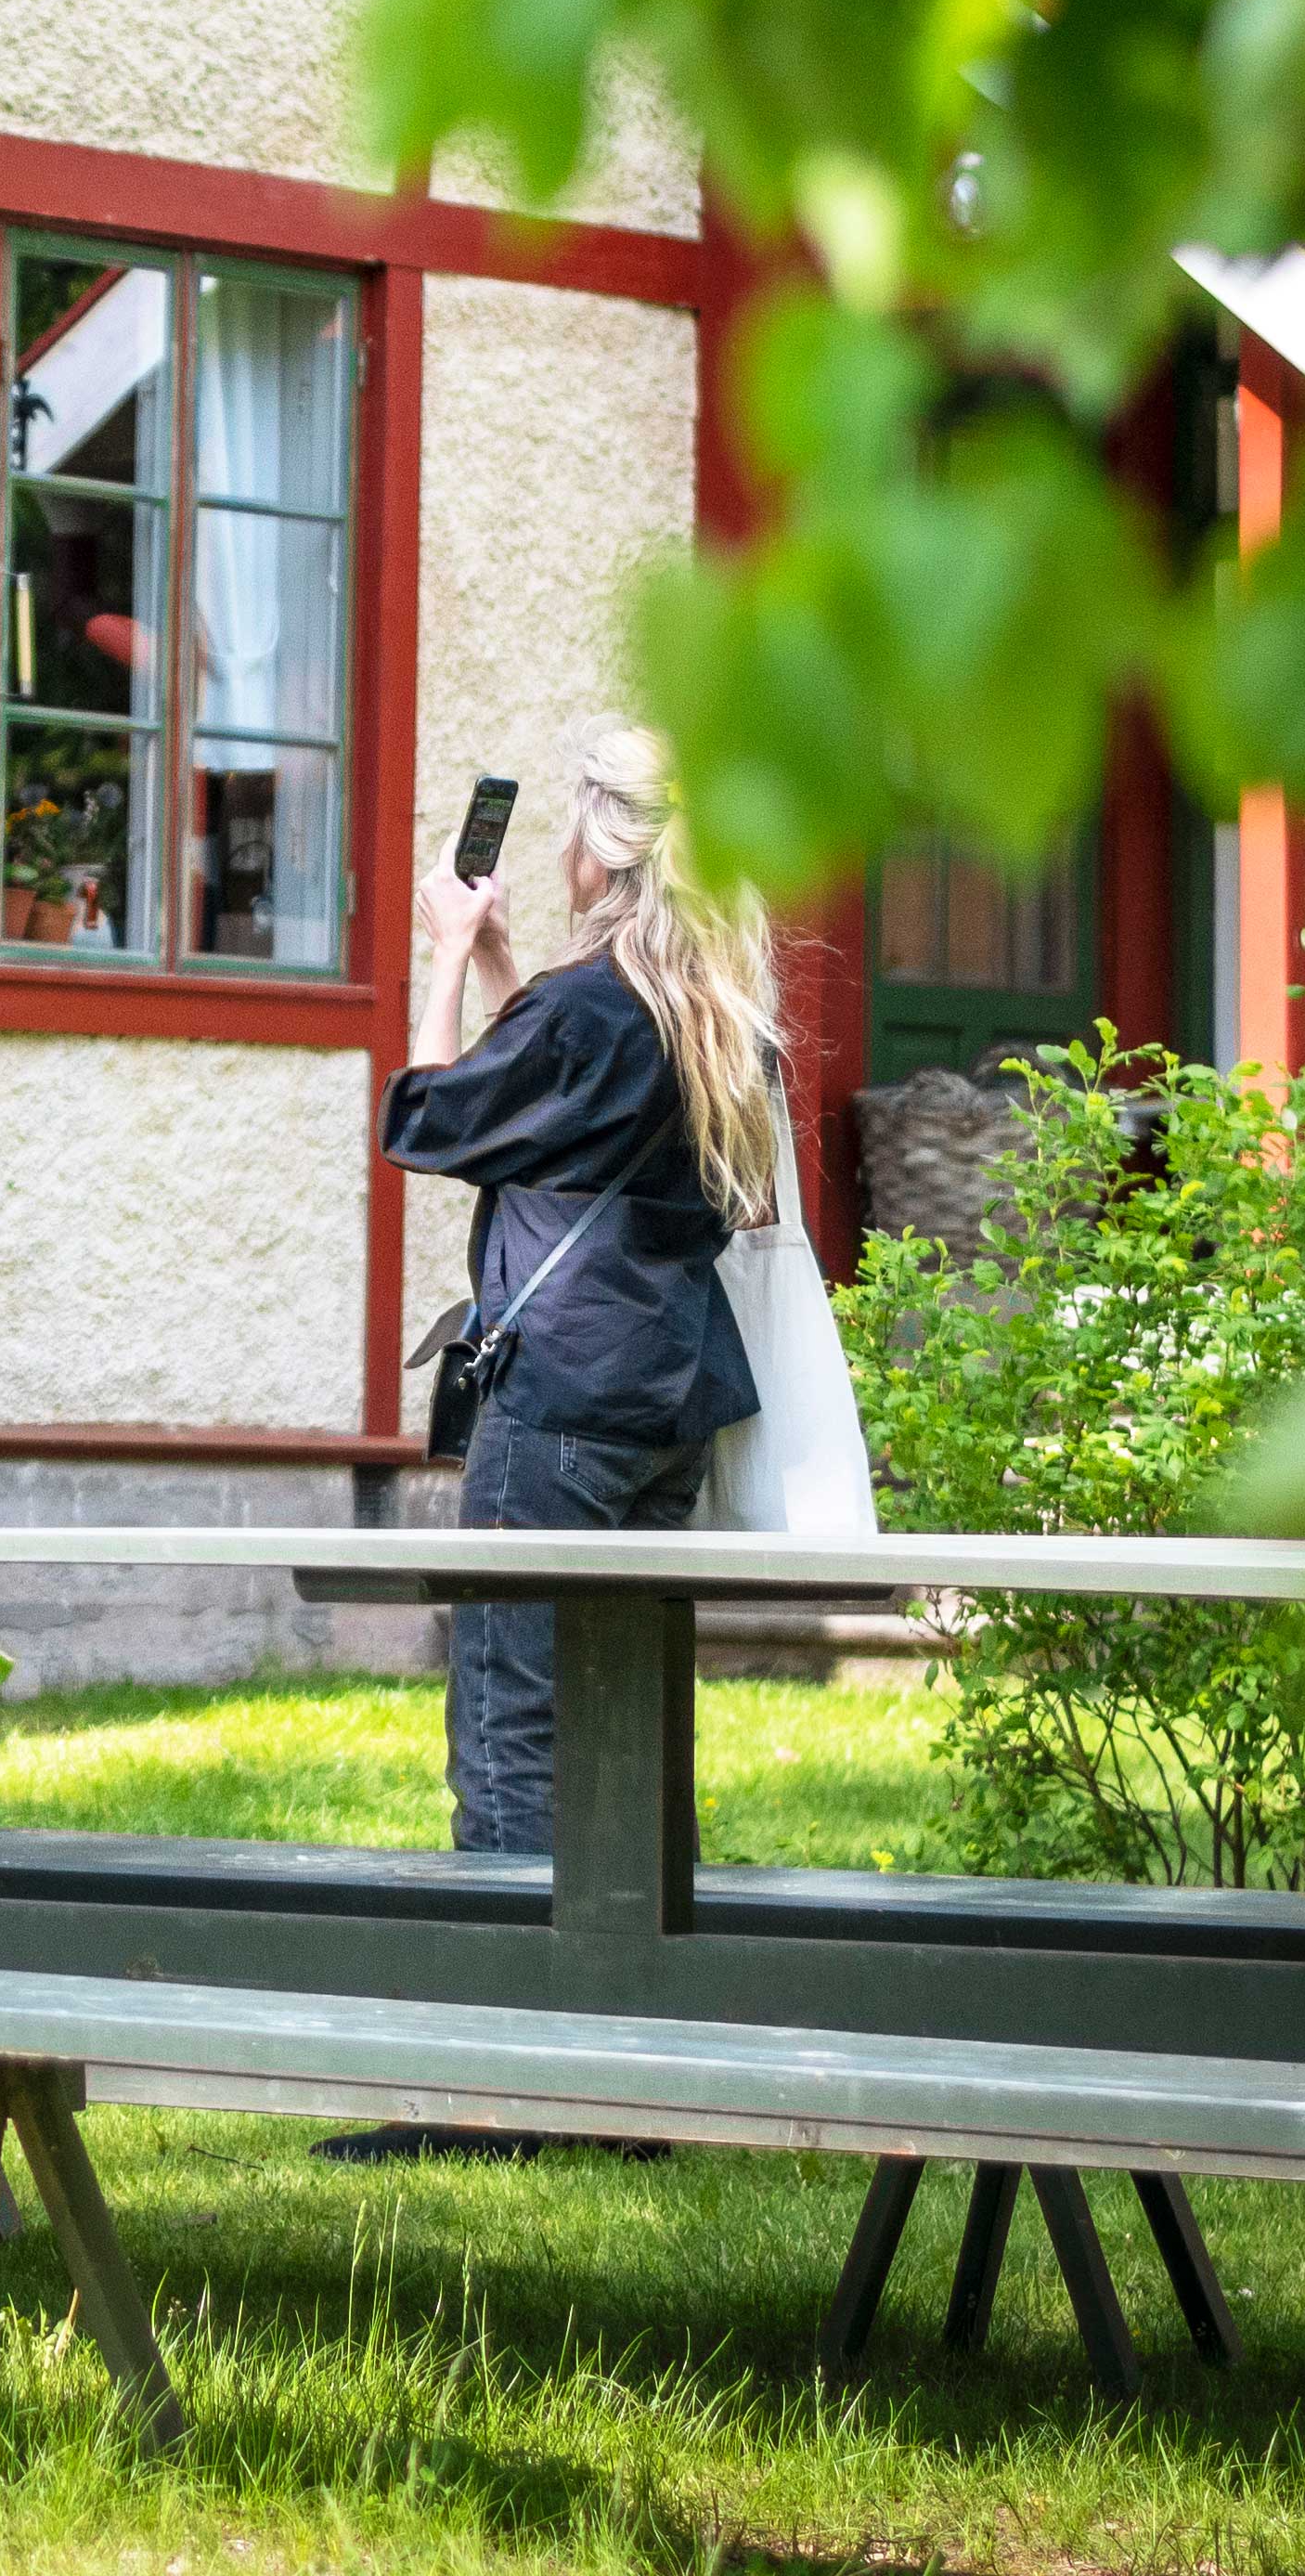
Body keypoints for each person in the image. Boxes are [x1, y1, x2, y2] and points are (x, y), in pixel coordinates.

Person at [382, 723, 784, 1858]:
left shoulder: (590, 1007)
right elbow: (571, 1109)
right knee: (634, 1721)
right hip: (668, 1404)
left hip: (557, 1399)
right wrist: (512, 960)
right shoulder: (721, 1021)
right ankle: (654, 1975)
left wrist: (452, 952)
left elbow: (429, 1118)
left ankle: (523, 1999)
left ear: (600, 854)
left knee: (513, 1724)